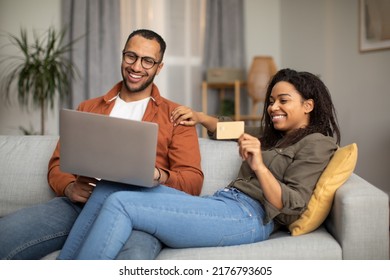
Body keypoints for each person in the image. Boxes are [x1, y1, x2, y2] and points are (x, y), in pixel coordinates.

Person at [62, 68, 341, 259]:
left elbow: (292, 206)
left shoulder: (318, 143)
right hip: (224, 202)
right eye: (271, 101)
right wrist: (199, 116)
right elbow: (232, 130)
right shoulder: (274, 138)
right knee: (109, 186)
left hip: (249, 217)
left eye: (283, 100)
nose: (272, 107)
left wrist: (260, 166)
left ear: (308, 105)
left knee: (121, 202)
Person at [0, 29, 203, 260]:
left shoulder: (176, 116)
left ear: (159, 67)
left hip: (140, 213)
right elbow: (57, 165)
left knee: (131, 260)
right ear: (122, 56)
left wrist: (158, 175)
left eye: (148, 61)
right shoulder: (88, 108)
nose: (136, 67)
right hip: (80, 205)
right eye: (131, 56)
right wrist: (69, 188)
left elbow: (193, 182)